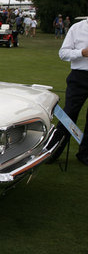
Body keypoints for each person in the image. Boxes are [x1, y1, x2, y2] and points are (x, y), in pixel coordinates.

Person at [47, 17, 88, 166]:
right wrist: (82, 53)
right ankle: (53, 152)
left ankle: (85, 154)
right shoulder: (77, 28)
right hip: (79, 76)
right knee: (69, 115)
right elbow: (63, 53)